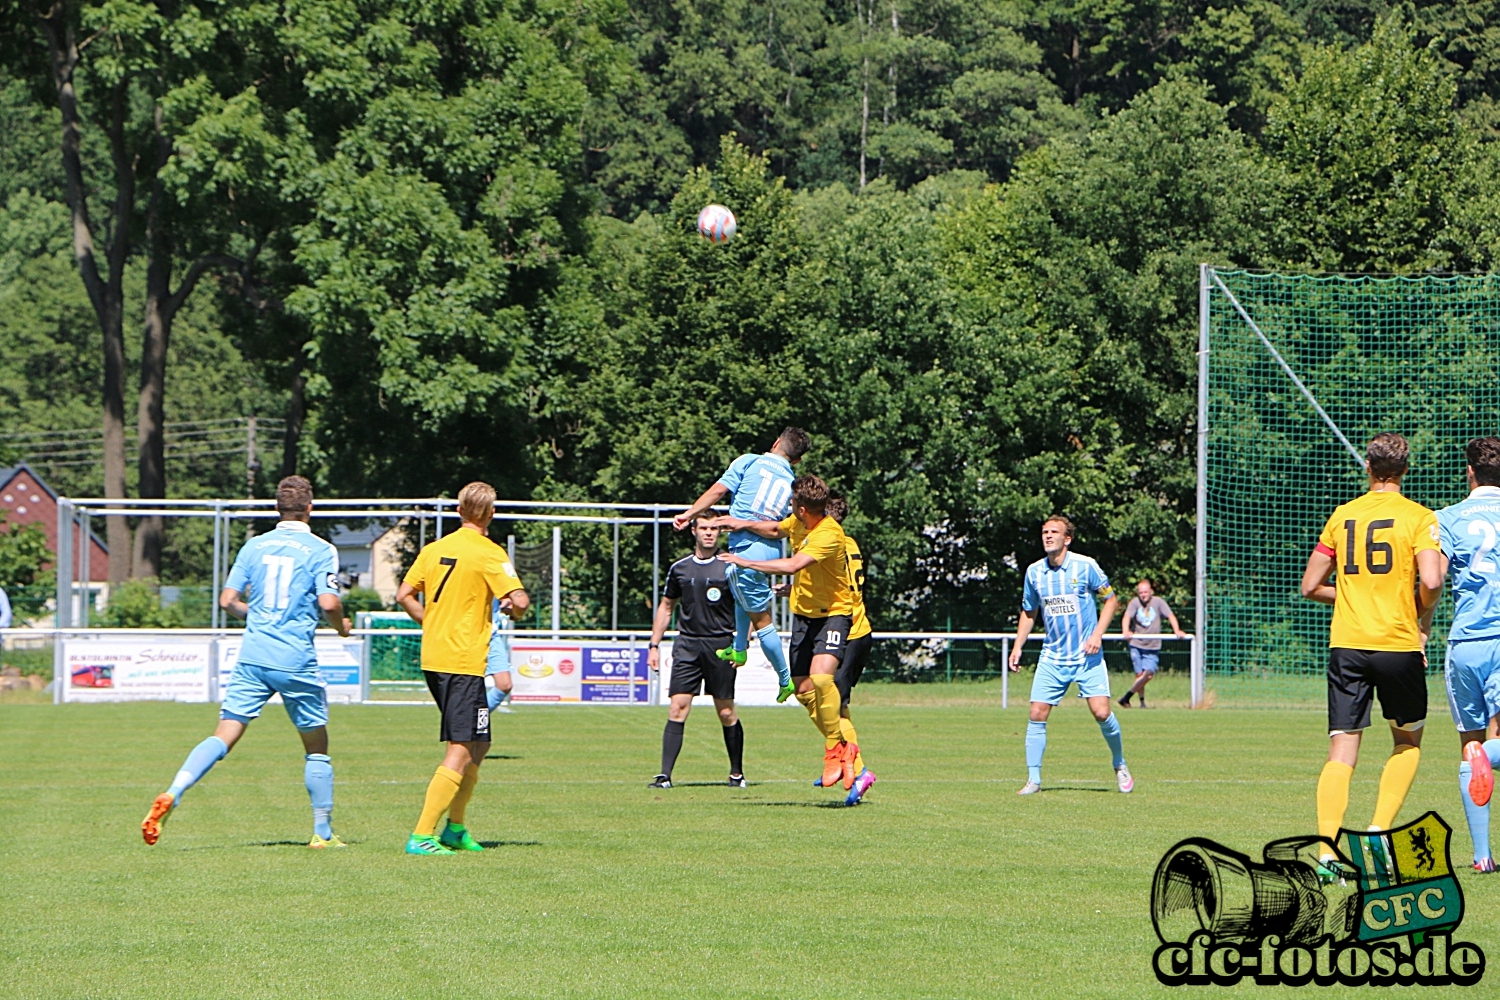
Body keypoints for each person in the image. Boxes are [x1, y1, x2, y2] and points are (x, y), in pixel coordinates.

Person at [141, 476, 352, 848]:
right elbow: (330, 603)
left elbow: (227, 600)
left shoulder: (254, 546)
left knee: (224, 733)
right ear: (310, 508)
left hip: (253, 656)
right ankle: (322, 833)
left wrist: (253, 614)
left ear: (277, 508)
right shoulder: (321, 549)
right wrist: (341, 629)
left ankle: (175, 790)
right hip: (293, 659)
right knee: (316, 748)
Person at [1300, 432, 1443, 870]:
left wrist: (1350, 591)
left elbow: (1309, 586)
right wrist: (1417, 611)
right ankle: (1379, 831)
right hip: (1397, 644)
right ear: (1405, 469)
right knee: (1407, 741)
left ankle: (1326, 850)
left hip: (1347, 645)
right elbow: (1433, 581)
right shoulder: (1419, 517)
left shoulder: (1342, 516)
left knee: (1341, 753)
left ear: (1368, 467)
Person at [396, 482, 529, 856]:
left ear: (458, 511)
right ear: (490, 514)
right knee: (460, 748)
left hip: (435, 656)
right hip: (463, 661)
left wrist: (431, 622)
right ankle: (422, 834)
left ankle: (456, 828)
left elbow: (404, 594)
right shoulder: (489, 553)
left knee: (480, 743)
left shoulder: (434, 549)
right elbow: (518, 600)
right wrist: (515, 606)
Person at [715, 474, 859, 793]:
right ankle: (846, 751)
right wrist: (740, 523)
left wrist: (743, 561)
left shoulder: (829, 534)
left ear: (803, 507)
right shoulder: (799, 522)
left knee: (822, 679)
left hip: (834, 615)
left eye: (793, 503)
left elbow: (793, 565)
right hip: (803, 618)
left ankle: (837, 749)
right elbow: (773, 529)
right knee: (802, 690)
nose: (789, 507)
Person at [673, 428, 809, 702]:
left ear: (775, 443)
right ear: (796, 461)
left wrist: (689, 514)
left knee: (760, 618)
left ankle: (785, 678)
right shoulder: (793, 484)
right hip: (770, 548)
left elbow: (717, 490)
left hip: (748, 549)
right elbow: (785, 528)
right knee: (741, 596)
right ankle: (738, 648)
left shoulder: (748, 461)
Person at [1008, 516, 1130, 796]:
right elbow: (1029, 611)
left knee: (1102, 712)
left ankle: (1119, 764)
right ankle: (1034, 780)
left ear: (1067, 539)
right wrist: (1018, 646)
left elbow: (1111, 599)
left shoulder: (1085, 566)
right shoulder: (1034, 572)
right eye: (1044, 532)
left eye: (1054, 532)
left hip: (1086, 657)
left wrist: (1097, 633)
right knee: (1036, 712)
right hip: (1052, 657)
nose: (1048, 536)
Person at [1433, 437, 1500, 873]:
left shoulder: (1447, 518)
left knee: (1471, 744)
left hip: (1464, 643)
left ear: (1470, 472)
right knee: (1494, 747)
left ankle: (1481, 856)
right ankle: (1486, 756)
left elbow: (1433, 579)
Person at [646, 518, 745, 788]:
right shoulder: (680, 568)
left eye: (714, 528)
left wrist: (741, 646)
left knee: (725, 711)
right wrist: (653, 645)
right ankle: (665, 775)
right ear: (694, 531)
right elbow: (666, 608)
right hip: (687, 644)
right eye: (704, 528)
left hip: (721, 645)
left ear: (720, 532)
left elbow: (748, 608)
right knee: (677, 707)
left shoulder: (730, 567)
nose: (709, 533)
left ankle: (736, 773)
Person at [809, 495, 875, 804]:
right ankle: (849, 768)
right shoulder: (850, 543)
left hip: (850, 633)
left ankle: (858, 772)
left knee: (836, 706)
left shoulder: (831, 545)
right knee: (826, 700)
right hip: (857, 631)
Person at [1118, 579, 1187, 708]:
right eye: (1141, 592)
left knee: (1148, 673)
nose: (1143, 594)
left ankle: (1126, 697)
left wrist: (1177, 630)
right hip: (1136, 643)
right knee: (1139, 675)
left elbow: (1171, 616)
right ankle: (1141, 703)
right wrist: (1125, 631)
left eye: (1145, 592)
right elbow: (1126, 617)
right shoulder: (1134, 603)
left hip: (1153, 645)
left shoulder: (1158, 602)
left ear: (1151, 592)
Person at [485, 607, 515, 714]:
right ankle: (465, 720)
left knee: (504, 684)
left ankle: (473, 718)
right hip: (465, 635)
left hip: (491, 635)